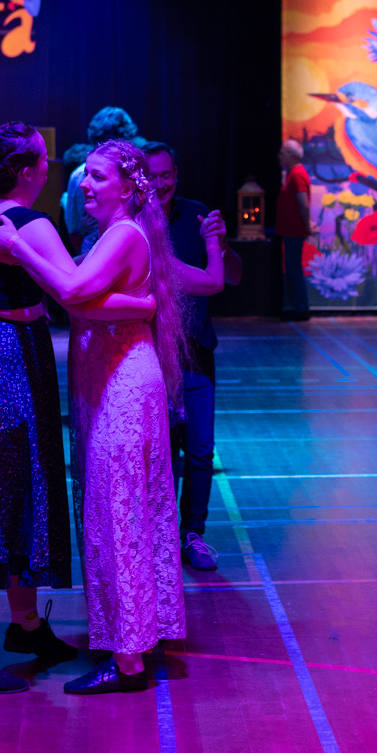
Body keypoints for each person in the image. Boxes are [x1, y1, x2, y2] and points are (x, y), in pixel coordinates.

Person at [0, 123, 156, 695]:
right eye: (44, 160)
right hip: (8, 361)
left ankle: (24, 625)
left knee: (3, 488)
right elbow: (74, 289)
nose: (52, 168)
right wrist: (142, 304)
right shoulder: (30, 224)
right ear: (27, 172)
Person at [0, 138, 192, 695]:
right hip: (114, 383)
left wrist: (16, 246)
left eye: (98, 176)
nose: (86, 185)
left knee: (117, 516)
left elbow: (72, 290)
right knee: (122, 513)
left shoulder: (122, 235)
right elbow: (81, 299)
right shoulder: (113, 235)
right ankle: (136, 637)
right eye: (84, 176)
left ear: (127, 186)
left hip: (123, 387)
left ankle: (128, 660)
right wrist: (139, 305)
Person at [141, 141, 243, 572]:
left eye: (167, 174)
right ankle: (160, 535)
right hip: (152, 355)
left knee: (201, 451)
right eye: (152, 175)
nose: (160, 183)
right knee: (161, 453)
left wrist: (220, 243)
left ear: (176, 174)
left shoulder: (197, 214)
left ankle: (192, 535)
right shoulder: (134, 224)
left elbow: (230, 277)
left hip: (197, 354)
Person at [64, 107, 141, 256]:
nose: (85, 184)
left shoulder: (136, 173)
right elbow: (73, 232)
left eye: (98, 177)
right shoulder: (79, 175)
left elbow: (73, 229)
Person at [276, 139, 311, 320]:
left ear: (291, 155)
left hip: (295, 231)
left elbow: (303, 204)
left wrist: (308, 225)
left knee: (294, 268)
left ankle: (301, 308)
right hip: (290, 230)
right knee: (292, 268)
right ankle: (297, 306)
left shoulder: (297, 174)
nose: (279, 156)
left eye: (282, 153)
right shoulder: (291, 174)